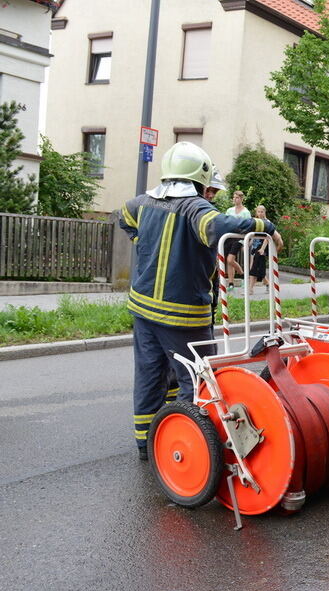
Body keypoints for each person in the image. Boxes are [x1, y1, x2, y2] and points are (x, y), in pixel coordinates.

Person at [116, 141, 282, 460]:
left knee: (151, 376)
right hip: (182, 316)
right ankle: (191, 448)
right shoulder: (193, 206)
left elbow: (122, 216)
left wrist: (142, 240)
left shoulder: (145, 203)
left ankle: (147, 444)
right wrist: (266, 227)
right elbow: (219, 226)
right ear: (199, 179)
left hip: (143, 310)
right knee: (198, 380)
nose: (212, 194)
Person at [246, 205, 283, 293]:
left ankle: (250, 289)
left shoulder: (267, 222)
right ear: (256, 212)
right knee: (254, 267)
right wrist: (248, 243)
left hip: (262, 248)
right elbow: (253, 235)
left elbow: (268, 237)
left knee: (254, 268)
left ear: (264, 212)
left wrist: (263, 248)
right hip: (255, 247)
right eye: (258, 212)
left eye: (262, 212)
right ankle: (267, 284)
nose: (260, 213)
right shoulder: (256, 221)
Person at [223, 190, 251, 288]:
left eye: (237, 197)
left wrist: (246, 243)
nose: (235, 199)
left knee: (230, 259)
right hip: (229, 237)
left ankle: (242, 274)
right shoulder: (229, 210)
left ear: (241, 199)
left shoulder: (246, 212)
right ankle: (231, 283)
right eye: (234, 197)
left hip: (239, 238)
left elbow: (248, 227)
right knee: (228, 260)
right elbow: (225, 223)